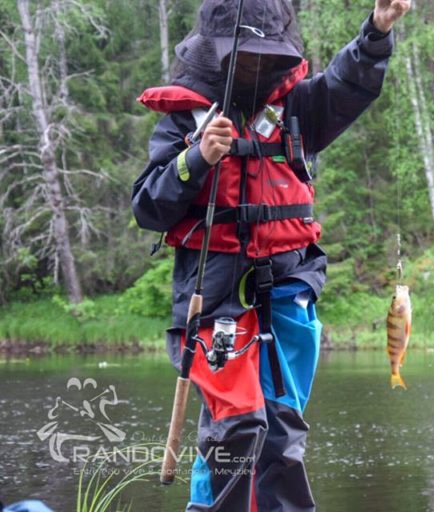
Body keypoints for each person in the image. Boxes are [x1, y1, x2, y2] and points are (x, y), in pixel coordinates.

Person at [132, 0, 410, 510]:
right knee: (234, 426)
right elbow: (147, 206)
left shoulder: (296, 110)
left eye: (266, 55)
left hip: (289, 284)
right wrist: (194, 160)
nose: (256, 65)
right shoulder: (185, 120)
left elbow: (347, 85)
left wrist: (377, 31)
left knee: (281, 430)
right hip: (215, 298)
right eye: (246, 55)